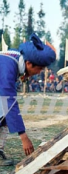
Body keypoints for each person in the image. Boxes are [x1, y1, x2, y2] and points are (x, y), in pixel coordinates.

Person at [0, 33, 56, 165]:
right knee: (4, 110)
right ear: (29, 63)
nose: (39, 72)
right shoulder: (8, 67)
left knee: (3, 115)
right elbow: (10, 102)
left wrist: (23, 75)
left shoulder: (16, 57)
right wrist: (23, 136)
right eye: (39, 69)